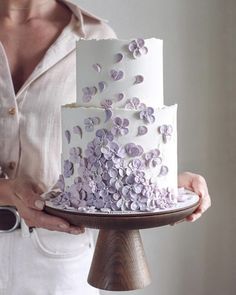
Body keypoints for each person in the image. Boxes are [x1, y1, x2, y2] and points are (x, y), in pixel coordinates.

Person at [0, 0, 211, 294]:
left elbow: (110, 151)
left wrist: (159, 185)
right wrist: (8, 191)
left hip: (57, 259)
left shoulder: (95, 38)